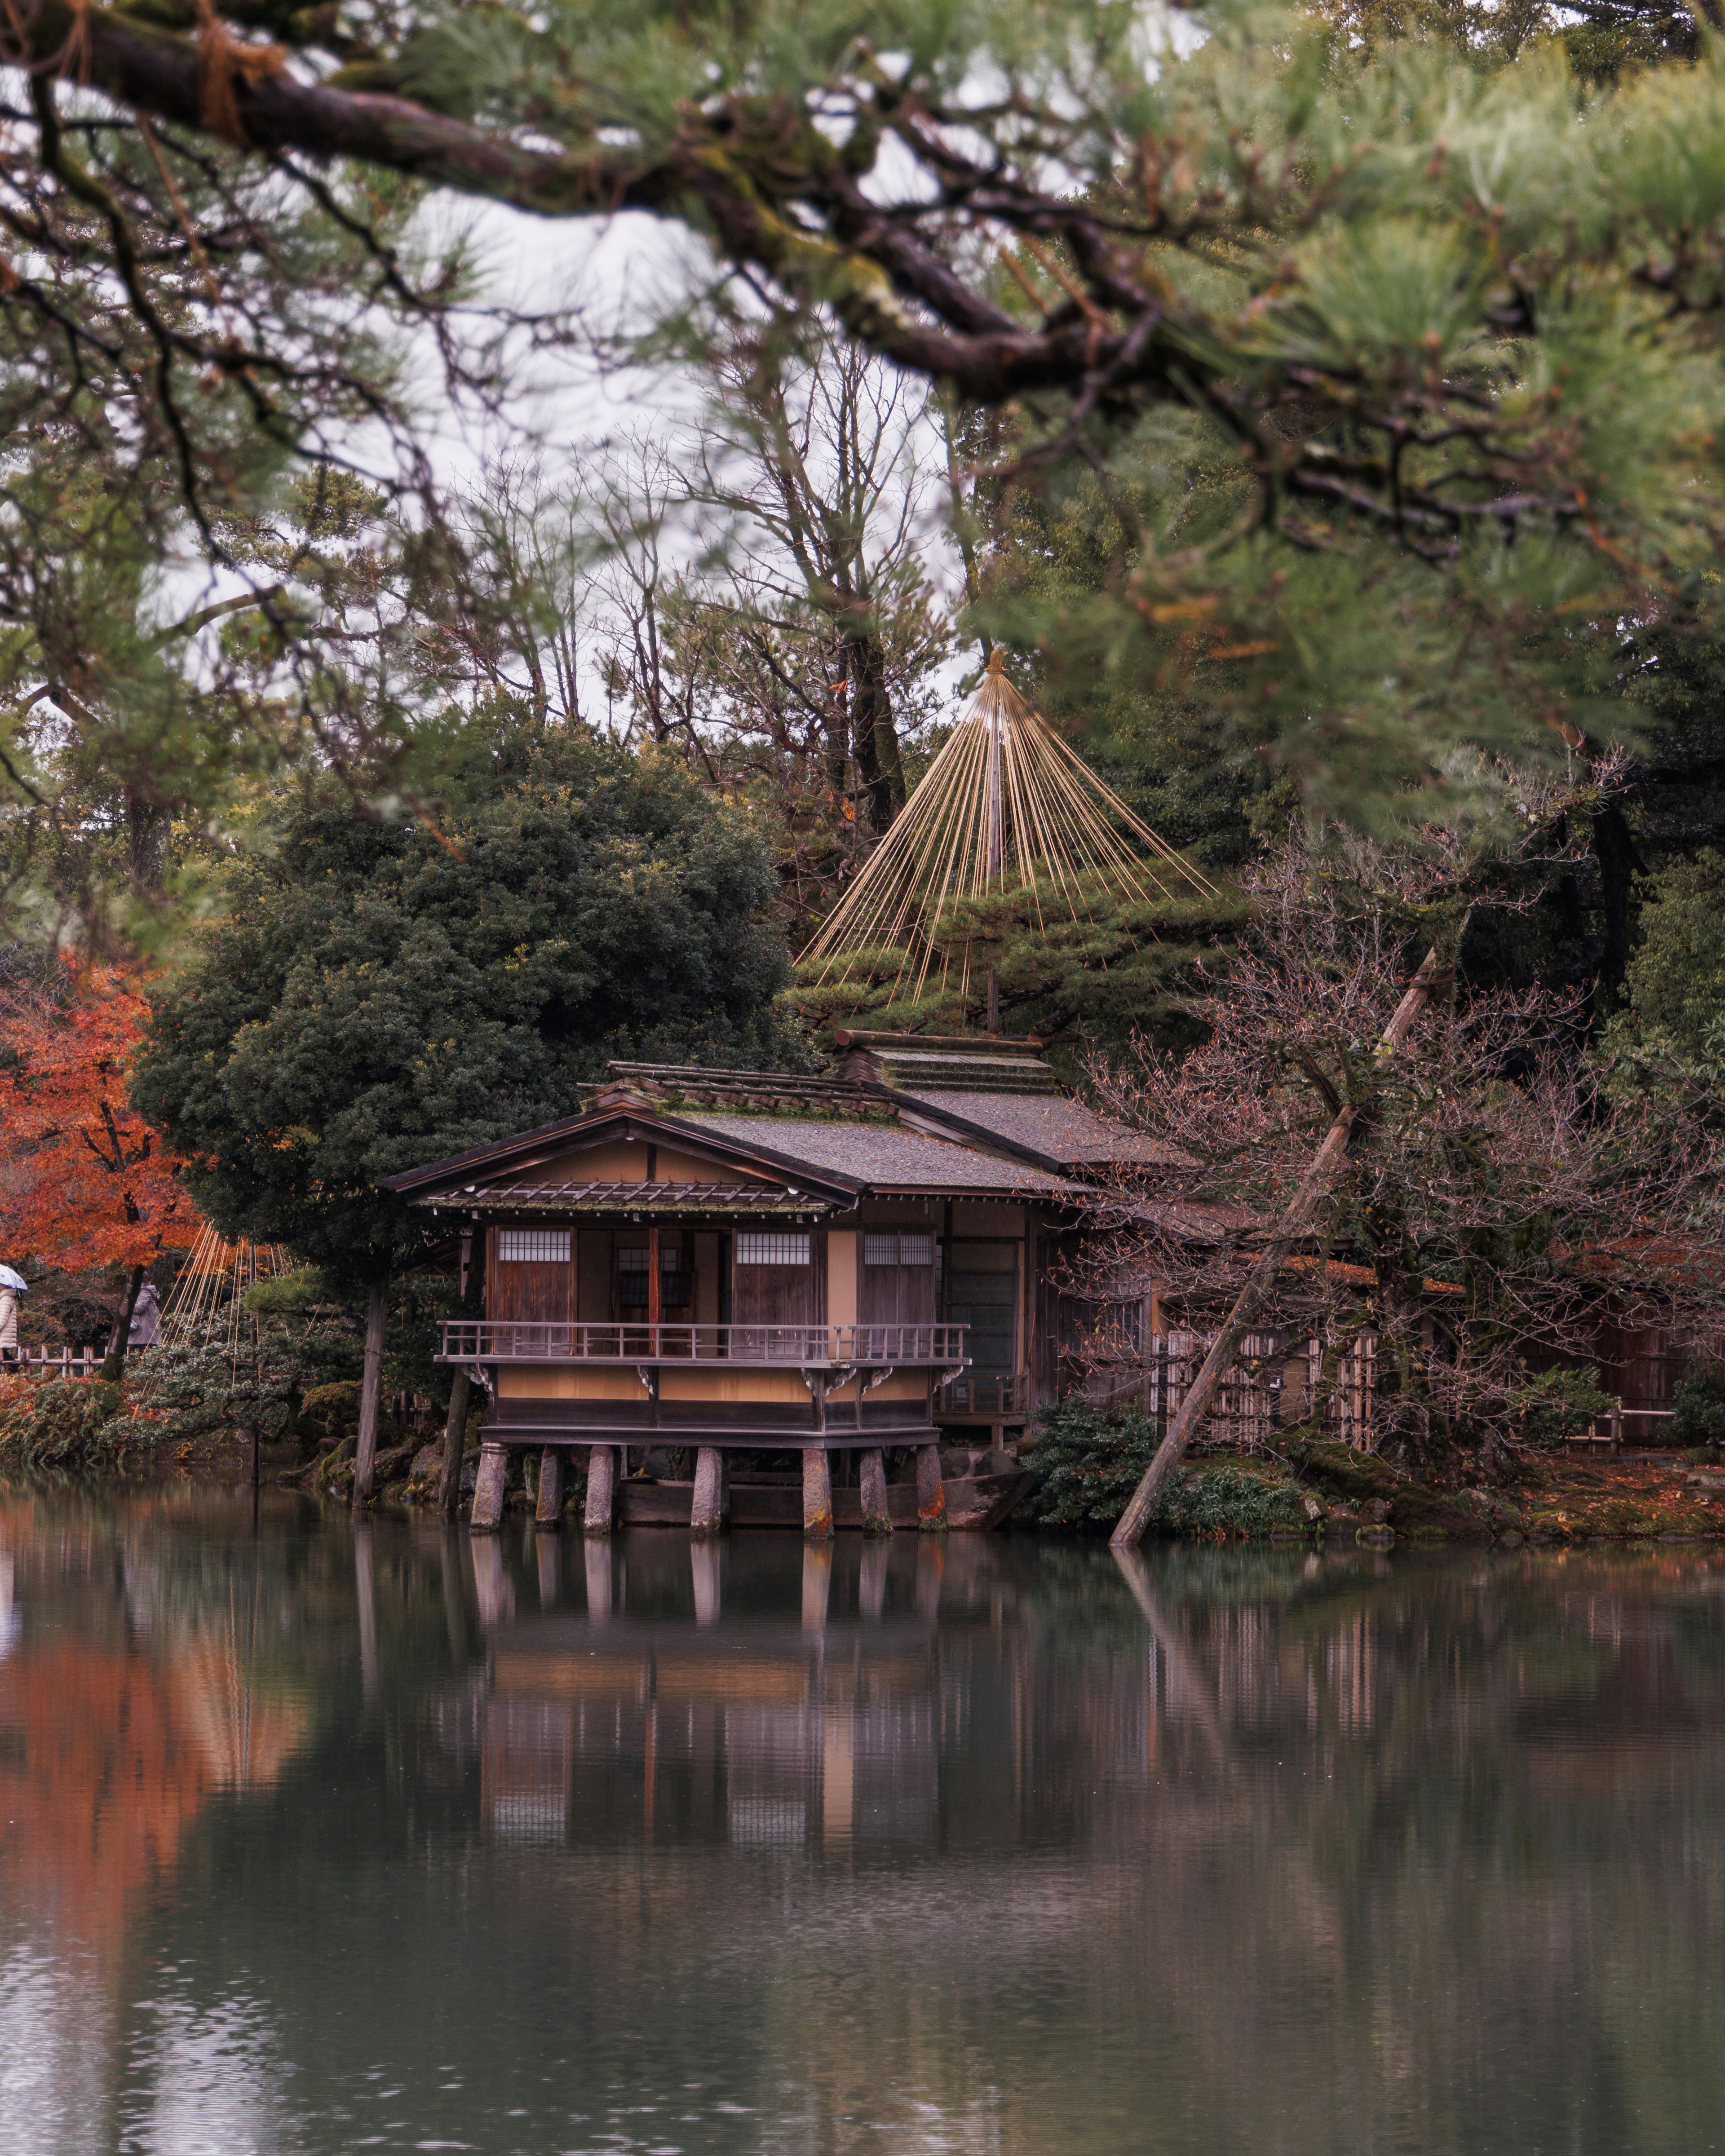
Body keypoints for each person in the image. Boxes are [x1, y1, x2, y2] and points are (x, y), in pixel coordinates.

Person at [0, 1279, 19, 1366]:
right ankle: (18, 1370)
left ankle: (18, 1370)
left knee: (4, 1356)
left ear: (7, 1286)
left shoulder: (6, 1299)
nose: (0, 1287)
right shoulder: (8, 1298)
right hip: (6, 1333)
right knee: (4, 1356)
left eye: (2, 1285)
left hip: (3, 1334)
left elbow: (2, 1318)